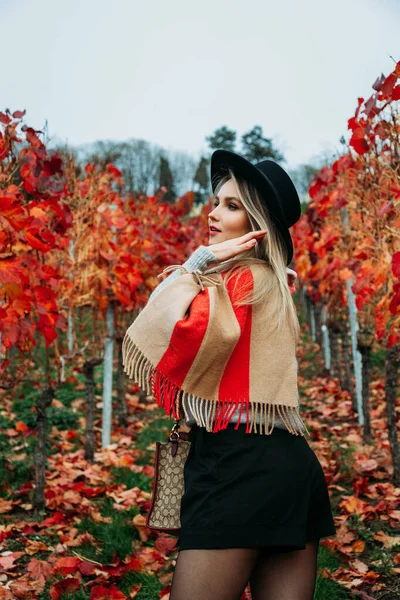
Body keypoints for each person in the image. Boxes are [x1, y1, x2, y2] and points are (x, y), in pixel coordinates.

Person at [124, 150, 336, 600]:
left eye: (232, 205)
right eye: (217, 201)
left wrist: (198, 261)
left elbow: (174, 328)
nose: (214, 213)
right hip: (287, 468)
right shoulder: (272, 281)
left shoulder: (242, 281)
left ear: (257, 224)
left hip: (238, 468)